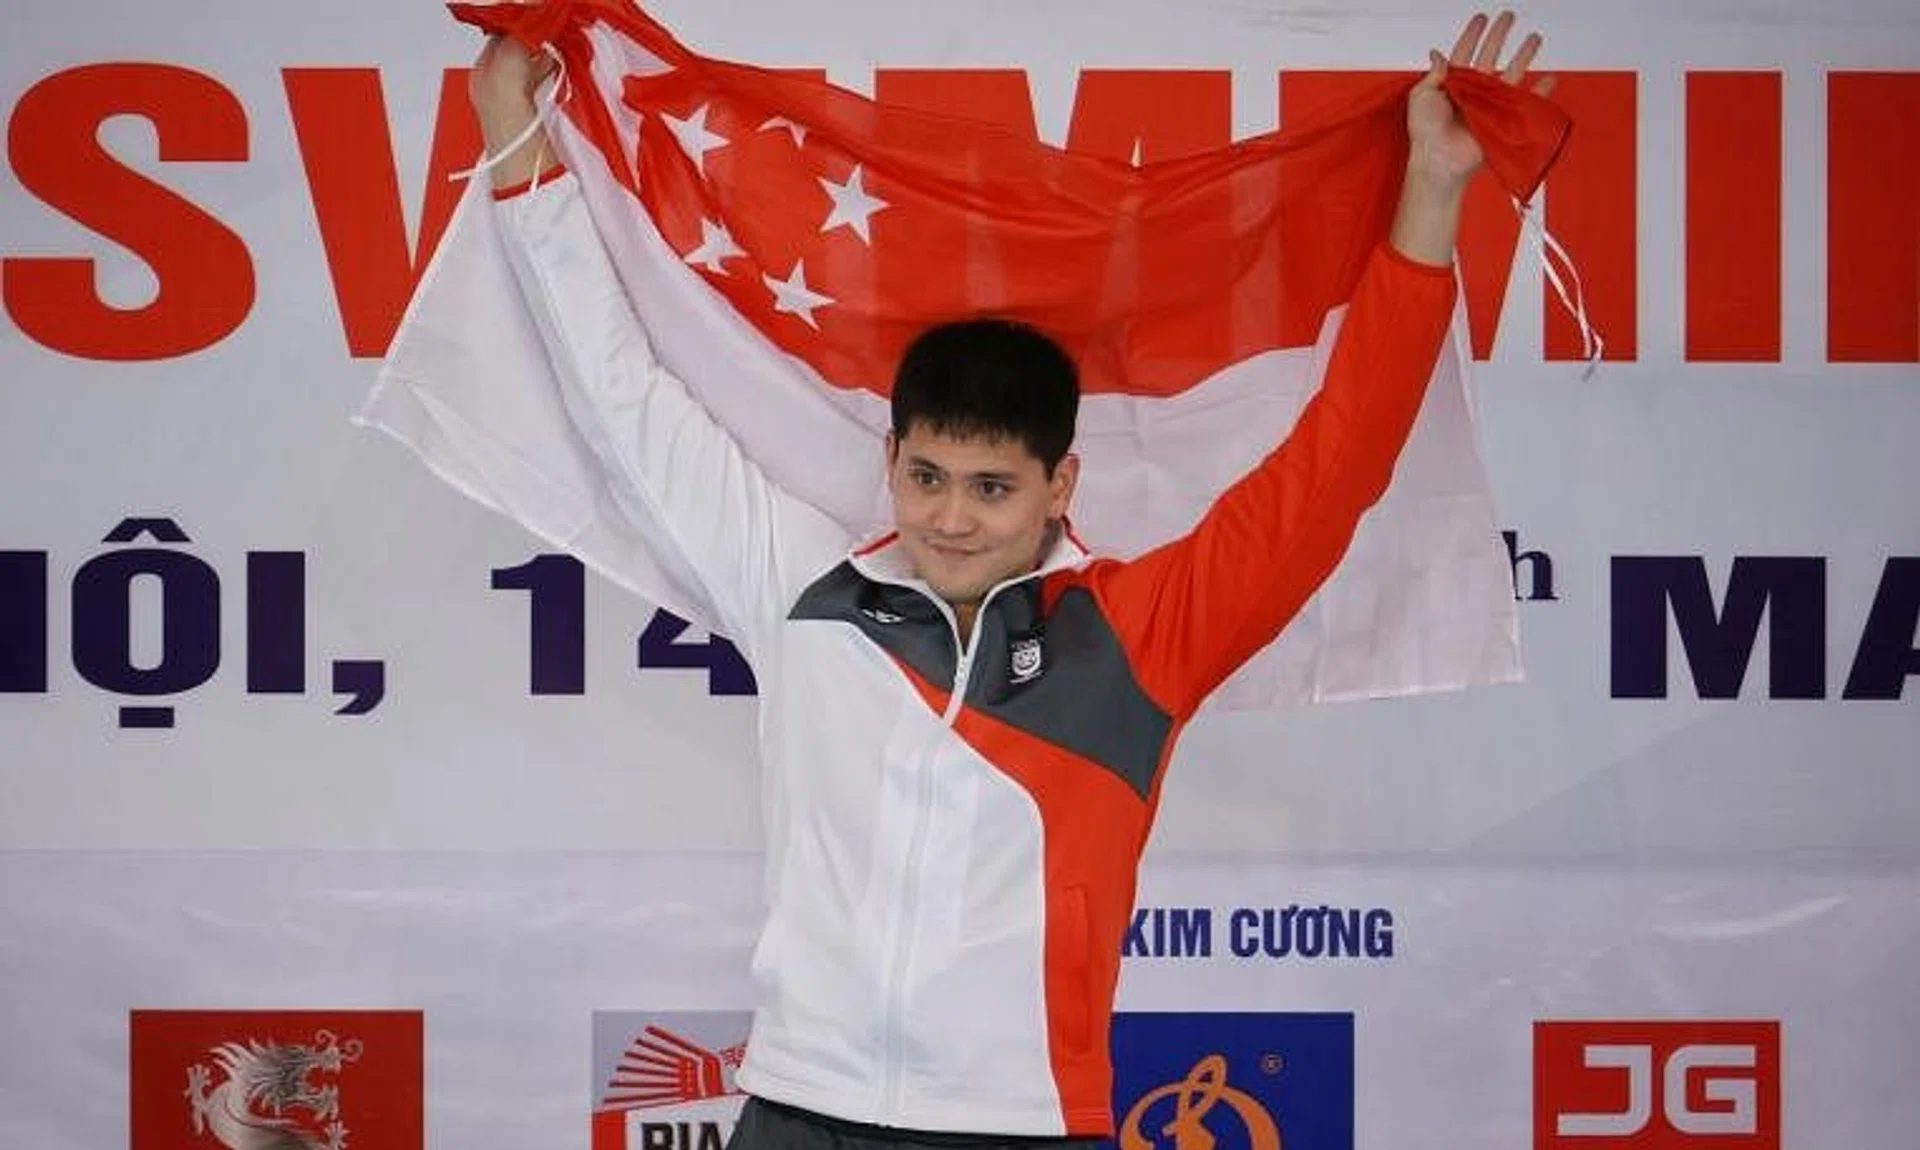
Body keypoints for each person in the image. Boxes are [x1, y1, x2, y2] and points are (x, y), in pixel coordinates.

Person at [465, 6, 1552, 1147]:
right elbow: (620, 392)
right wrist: (512, 139)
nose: (950, 516)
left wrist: (1430, 194)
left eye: (992, 487)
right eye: (926, 475)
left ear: (1060, 484)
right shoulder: (800, 584)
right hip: (794, 1106)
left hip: (1022, 1122)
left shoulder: (1142, 633)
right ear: (889, 460)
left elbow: (1337, 464)